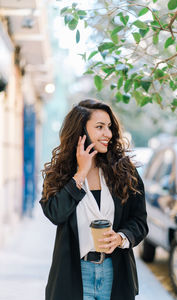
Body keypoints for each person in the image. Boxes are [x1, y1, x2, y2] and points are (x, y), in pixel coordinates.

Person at [40, 99, 148, 300]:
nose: (107, 133)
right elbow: (55, 214)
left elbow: (139, 222)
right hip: (74, 275)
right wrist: (80, 174)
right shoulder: (61, 173)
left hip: (114, 273)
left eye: (109, 127)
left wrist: (121, 237)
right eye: (99, 127)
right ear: (81, 131)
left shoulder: (125, 172)